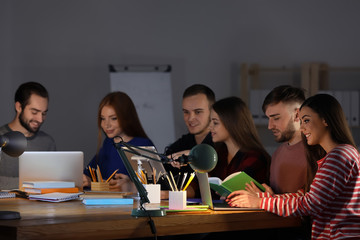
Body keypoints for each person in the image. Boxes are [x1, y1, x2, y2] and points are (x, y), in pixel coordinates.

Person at [227, 94, 360, 239]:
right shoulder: (337, 155)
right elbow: (304, 195)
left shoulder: (339, 155)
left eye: (307, 121)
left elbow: (310, 203)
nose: (302, 128)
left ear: (325, 120)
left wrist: (260, 201)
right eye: (301, 121)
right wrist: (264, 197)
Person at [83, 92, 154, 192]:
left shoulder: (142, 145)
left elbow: (155, 189)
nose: (106, 125)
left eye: (113, 118)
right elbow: (91, 175)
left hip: (133, 206)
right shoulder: (108, 143)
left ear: (126, 118)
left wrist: (131, 186)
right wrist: (87, 180)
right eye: (103, 119)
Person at [0, 82, 56, 189]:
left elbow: (53, 181)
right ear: (19, 107)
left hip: (38, 205)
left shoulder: (48, 142)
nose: (40, 119)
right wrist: (31, 184)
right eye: (34, 112)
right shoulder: (1, 138)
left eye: (44, 113)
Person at [163, 84, 215, 198]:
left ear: (212, 112)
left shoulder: (219, 145)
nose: (190, 118)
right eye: (186, 112)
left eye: (198, 112)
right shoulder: (181, 145)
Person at [209, 97, 270, 193]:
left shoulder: (254, 157)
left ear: (231, 123)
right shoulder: (219, 153)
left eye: (215, 122)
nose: (210, 127)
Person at [262, 85, 307, 194]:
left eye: (276, 118)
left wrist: (269, 200)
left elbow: (310, 202)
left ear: (297, 114)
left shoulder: (317, 153)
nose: (270, 126)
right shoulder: (277, 154)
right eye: (268, 119)